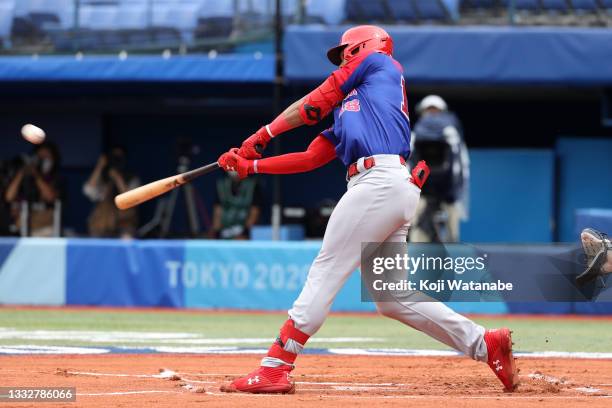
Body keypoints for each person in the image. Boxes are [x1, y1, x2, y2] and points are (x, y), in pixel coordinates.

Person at [216, 25, 518, 394]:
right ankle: (485, 343)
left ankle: (276, 366)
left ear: (363, 47)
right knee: (392, 297)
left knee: (326, 269)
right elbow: (312, 157)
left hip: (379, 182)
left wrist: (261, 136)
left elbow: (313, 104)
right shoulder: (355, 105)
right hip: (386, 188)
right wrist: (251, 167)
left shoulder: (380, 64)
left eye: (345, 52)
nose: (342, 59)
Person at [409, 95, 469, 243]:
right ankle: (418, 258)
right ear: (422, 112)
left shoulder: (453, 137)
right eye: (429, 110)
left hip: (449, 192)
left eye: (435, 110)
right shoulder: (414, 137)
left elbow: (461, 167)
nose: (432, 114)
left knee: (452, 232)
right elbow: (408, 165)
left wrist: (456, 193)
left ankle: (452, 256)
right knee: (416, 230)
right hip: (421, 193)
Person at [4, 142, 62, 237]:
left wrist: (37, 175)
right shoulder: (25, 179)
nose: (43, 161)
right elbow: (9, 197)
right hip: (19, 230)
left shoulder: (56, 178)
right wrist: (21, 173)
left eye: (46, 158)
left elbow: (50, 197)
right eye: (40, 158)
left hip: (44, 230)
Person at [83, 146, 139, 238]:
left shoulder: (132, 178)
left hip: (124, 224)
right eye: (114, 157)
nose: (116, 160)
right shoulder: (103, 177)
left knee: (127, 239)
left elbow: (131, 199)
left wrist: (117, 178)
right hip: (103, 224)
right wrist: (100, 166)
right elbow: (89, 191)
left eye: (119, 158)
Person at [209, 172, 263, 239]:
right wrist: (216, 232)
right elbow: (217, 211)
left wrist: (245, 232)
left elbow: (254, 212)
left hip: (243, 228)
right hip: (225, 228)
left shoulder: (252, 185)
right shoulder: (222, 185)